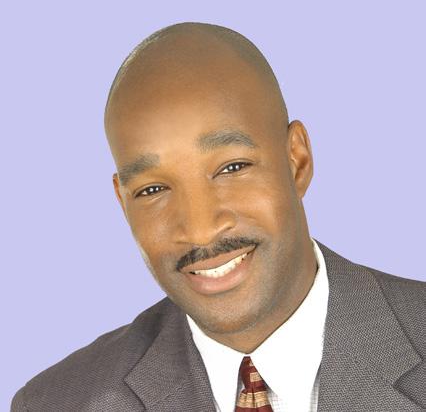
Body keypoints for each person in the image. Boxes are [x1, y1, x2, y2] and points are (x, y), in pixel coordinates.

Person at [11, 22, 426, 412]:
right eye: (152, 190)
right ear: (123, 203)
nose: (200, 229)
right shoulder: (57, 403)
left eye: (232, 168)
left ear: (296, 161)